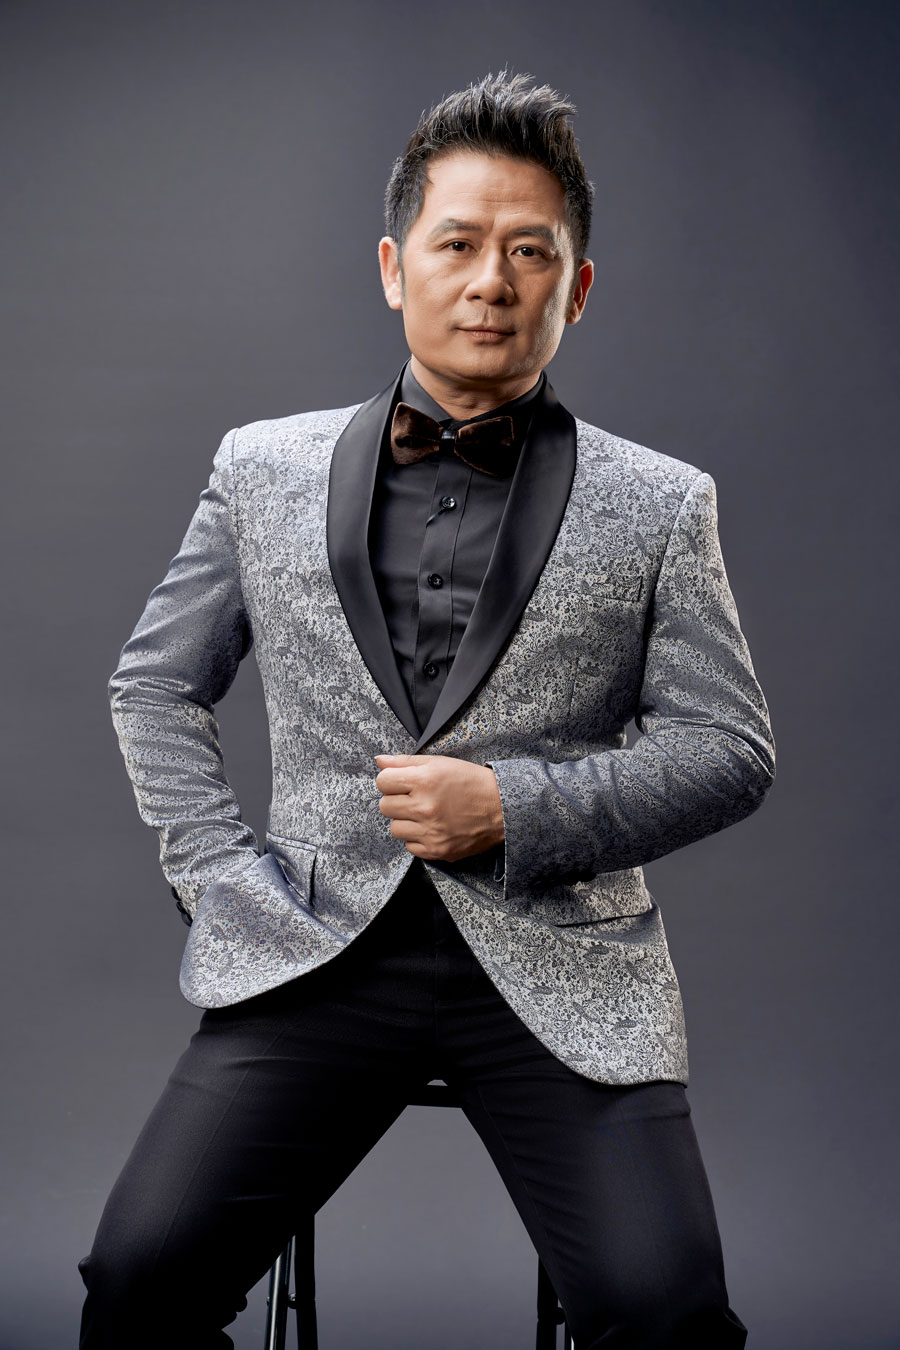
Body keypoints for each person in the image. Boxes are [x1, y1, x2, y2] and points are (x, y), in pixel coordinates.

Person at [79, 71, 774, 1348]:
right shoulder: (262, 468)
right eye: (458, 245)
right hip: (313, 951)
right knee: (136, 1291)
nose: (491, 281)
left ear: (577, 287)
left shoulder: (664, 502)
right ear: (396, 268)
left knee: (668, 1318)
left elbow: (729, 749)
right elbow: (156, 685)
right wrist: (223, 882)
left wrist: (514, 808)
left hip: (563, 967)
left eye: (530, 252)